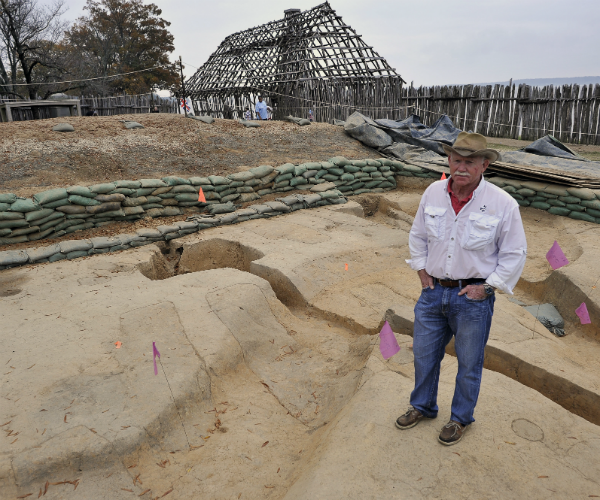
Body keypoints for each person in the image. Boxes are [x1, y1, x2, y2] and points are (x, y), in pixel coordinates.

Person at [396, 132, 527, 446]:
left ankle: (460, 418)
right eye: (457, 160)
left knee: (469, 363)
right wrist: (421, 268)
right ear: (449, 160)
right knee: (424, 356)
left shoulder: (502, 204)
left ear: (484, 165)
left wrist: (488, 288)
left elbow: (515, 253)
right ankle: (422, 406)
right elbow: (418, 234)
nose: (462, 167)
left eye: (470, 161)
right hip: (433, 293)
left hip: (472, 298)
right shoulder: (432, 192)